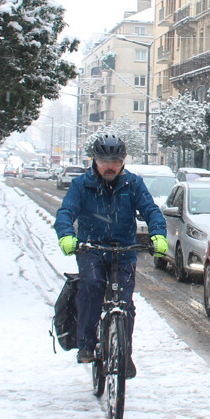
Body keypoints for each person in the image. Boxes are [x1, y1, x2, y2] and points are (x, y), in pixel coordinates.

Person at [54, 134, 168, 377]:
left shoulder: (133, 184)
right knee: (92, 286)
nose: (110, 166)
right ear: (94, 160)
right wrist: (66, 235)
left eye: (116, 160)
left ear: (123, 161)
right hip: (91, 249)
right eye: (104, 160)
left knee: (125, 304)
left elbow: (150, 210)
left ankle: (124, 355)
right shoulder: (81, 185)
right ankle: (86, 344)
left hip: (124, 250)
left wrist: (158, 234)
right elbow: (66, 212)